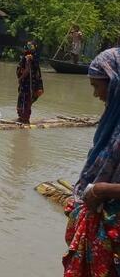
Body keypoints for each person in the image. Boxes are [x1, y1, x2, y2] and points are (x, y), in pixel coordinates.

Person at [63, 47, 120, 276]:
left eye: (97, 86)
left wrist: (102, 189)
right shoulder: (112, 121)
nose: (96, 94)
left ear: (115, 82)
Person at [16, 41, 43, 124]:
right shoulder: (35, 58)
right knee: (27, 100)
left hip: (28, 84)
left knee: (25, 99)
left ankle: (24, 119)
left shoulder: (28, 58)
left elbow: (27, 70)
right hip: (33, 84)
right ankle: (23, 118)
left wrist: (20, 78)